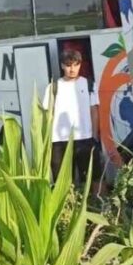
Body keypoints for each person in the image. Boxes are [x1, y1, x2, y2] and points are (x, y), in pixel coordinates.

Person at [42, 49, 103, 195]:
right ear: (62, 66)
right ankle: (67, 212)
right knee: (62, 182)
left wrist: (94, 136)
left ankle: (98, 209)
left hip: (85, 139)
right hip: (59, 142)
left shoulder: (88, 84)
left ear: (80, 65)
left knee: (93, 178)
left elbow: (94, 111)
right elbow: (46, 115)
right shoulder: (53, 88)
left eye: (76, 65)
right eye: (68, 65)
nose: (72, 69)